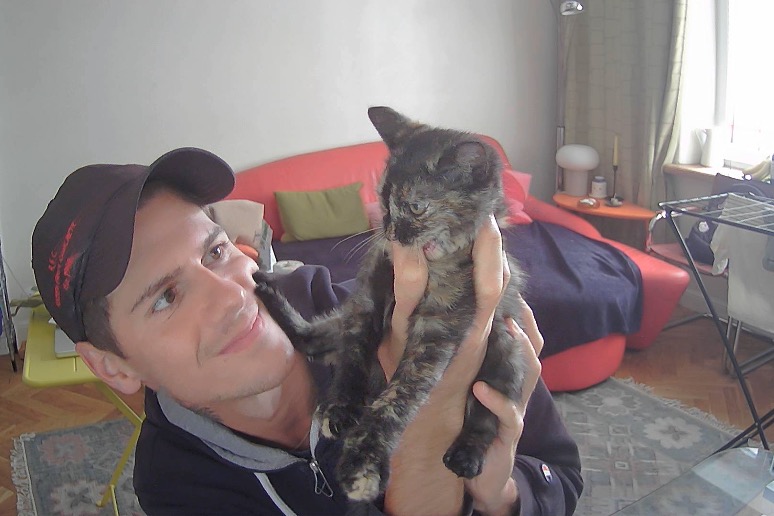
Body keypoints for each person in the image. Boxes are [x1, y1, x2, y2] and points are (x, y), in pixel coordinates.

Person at [32, 147, 582, 515]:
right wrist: (432, 411)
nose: (233, 295)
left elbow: (561, 476)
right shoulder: (178, 488)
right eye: (166, 298)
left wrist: (503, 496)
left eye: (215, 252)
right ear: (112, 366)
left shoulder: (394, 314)